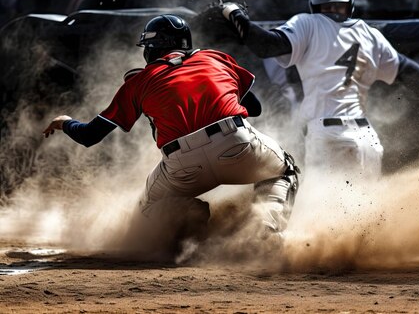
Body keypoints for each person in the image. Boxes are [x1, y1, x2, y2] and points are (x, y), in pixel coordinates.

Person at [43, 14, 299, 258]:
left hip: (181, 163)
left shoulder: (138, 81)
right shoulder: (215, 58)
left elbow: (89, 136)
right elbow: (255, 108)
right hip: (237, 143)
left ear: (152, 49)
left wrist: (65, 123)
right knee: (283, 171)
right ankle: (266, 229)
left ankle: (190, 221)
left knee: (145, 208)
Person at [218, 0, 419, 179]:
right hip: (367, 140)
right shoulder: (370, 34)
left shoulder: (308, 23)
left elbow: (266, 46)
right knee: (370, 218)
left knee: (324, 219)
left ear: (313, 5)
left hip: (328, 137)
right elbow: (410, 72)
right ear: (349, 3)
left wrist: (234, 13)